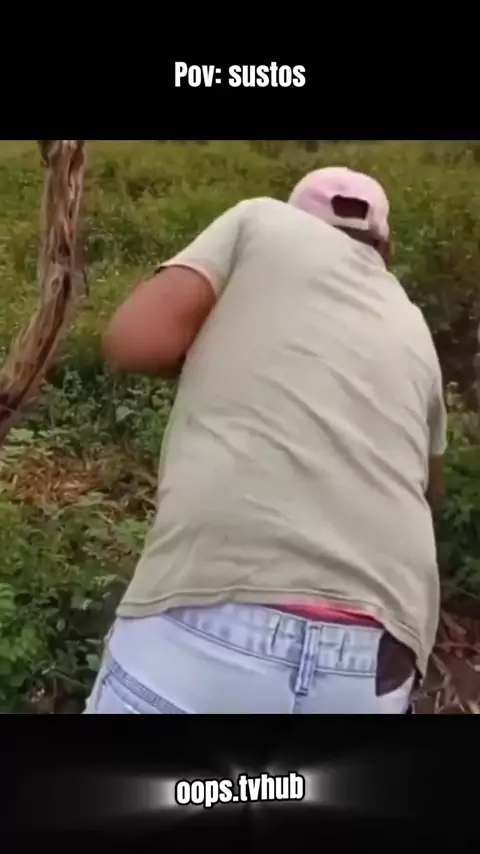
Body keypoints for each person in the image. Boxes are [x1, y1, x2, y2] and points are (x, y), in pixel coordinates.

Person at [85, 166, 447, 714]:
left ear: (297, 214)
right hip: (377, 654)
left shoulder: (261, 221)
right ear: (385, 248)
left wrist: (211, 352)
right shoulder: (414, 323)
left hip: (213, 614)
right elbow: (429, 491)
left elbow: (134, 342)